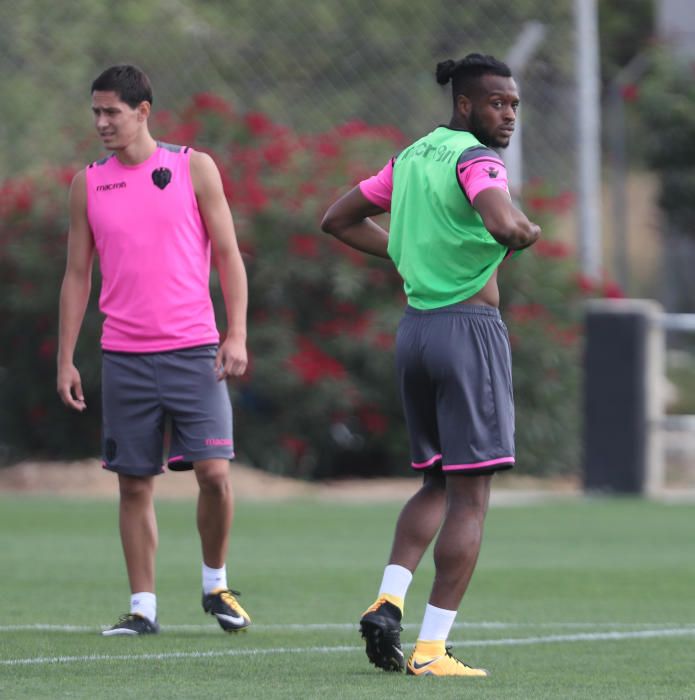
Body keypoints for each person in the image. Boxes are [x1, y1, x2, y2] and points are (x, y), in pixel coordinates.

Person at [321, 53, 540, 677]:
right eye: (498, 103)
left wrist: (401, 249)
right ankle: (430, 649)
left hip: (415, 332)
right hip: (468, 333)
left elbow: (336, 219)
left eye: (515, 105)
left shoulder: (413, 156)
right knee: (471, 499)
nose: (509, 114)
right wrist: (523, 230)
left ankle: (387, 602)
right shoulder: (477, 158)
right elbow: (502, 221)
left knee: (436, 483)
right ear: (465, 105)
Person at [57, 64, 252, 636]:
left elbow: (229, 254)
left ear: (143, 111)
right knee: (133, 483)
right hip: (123, 357)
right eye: (96, 111)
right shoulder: (87, 183)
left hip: (195, 351)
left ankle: (215, 584)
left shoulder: (193, 167)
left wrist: (235, 332)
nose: (101, 122)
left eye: (112, 111)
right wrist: (66, 357)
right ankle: (143, 608)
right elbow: (75, 275)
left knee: (214, 474)